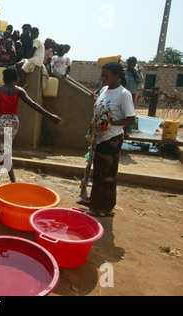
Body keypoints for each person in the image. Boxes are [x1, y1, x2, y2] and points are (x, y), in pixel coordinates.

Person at [0, 66, 63, 185]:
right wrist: (50, 115)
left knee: (4, 151)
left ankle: (13, 182)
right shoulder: (19, 90)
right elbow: (33, 104)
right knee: (3, 149)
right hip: (13, 123)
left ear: (4, 77)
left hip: (1, 123)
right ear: (15, 78)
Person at [78, 61, 136, 217]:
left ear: (117, 76)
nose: (103, 78)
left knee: (108, 174)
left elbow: (131, 120)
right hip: (99, 138)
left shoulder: (124, 94)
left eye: (106, 76)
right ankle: (95, 200)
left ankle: (106, 206)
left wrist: (110, 123)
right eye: (102, 75)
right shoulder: (104, 89)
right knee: (98, 171)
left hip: (112, 138)